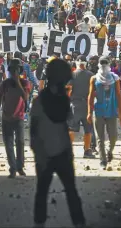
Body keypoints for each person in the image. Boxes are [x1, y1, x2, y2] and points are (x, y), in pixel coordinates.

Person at [30, 59, 86, 228]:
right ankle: (79, 222)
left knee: (42, 192)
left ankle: (39, 223)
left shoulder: (41, 100)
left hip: (45, 153)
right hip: (61, 151)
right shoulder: (62, 100)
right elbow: (67, 118)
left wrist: (37, 152)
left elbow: (34, 130)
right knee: (71, 191)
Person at [0, 58, 30, 178]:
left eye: (16, 70)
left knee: (20, 142)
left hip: (18, 118)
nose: (14, 72)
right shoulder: (5, 83)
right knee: (8, 144)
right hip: (6, 118)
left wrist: (17, 80)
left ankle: (20, 166)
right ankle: (12, 167)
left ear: (20, 70)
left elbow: (24, 97)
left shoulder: (25, 83)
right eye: (12, 70)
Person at [87, 56, 121, 168]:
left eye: (105, 63)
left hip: (112, 111)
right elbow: (90, 96)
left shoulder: (115, 78)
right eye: (102, 63)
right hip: (98, 111)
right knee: (100, 138)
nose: (103, 65)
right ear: (99, 65)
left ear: (109, 65)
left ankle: (110, 151)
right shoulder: (94, 79)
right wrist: (89, 112)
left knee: (113, 136)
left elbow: (119, 95)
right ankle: (102, 160)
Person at [67, 55, 95, 158]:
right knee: (88, 130)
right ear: (86, 63)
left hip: (75, 105)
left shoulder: (72, 75)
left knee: (71, 129)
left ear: (77, 63)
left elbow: (69, 89)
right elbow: (94, 92)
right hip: (87, 105)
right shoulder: (91, 75)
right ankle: (87, 150)